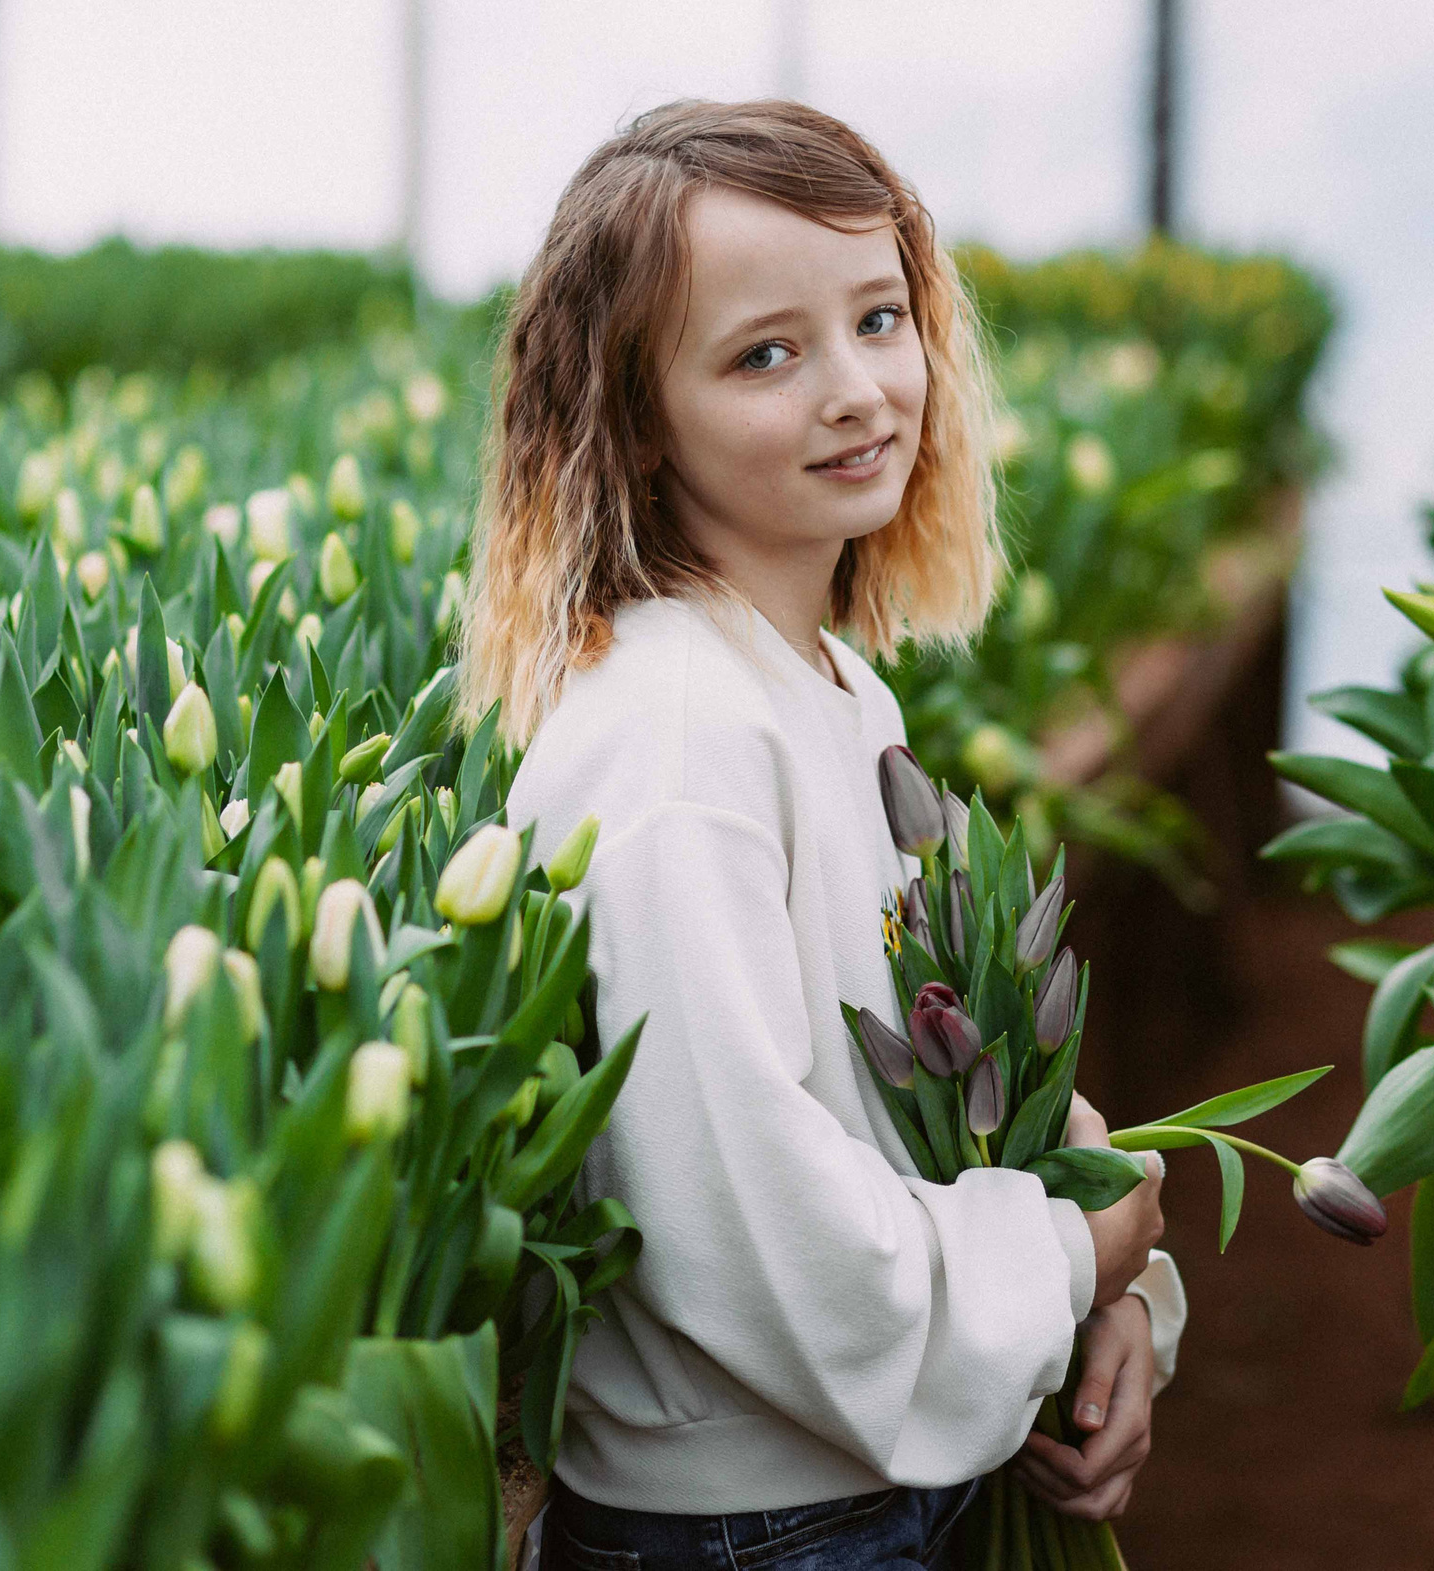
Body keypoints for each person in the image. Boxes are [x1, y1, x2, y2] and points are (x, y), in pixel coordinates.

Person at [465, 98, 1185, 1571]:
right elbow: (746, 1212)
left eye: (878, 318)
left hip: (861, 1482)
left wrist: (1105, 1302)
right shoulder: (677, 737)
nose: (858, 391)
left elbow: (910, 1092)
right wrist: (1066, 1258)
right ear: (634, 419)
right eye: (765, 355)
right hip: (755, 1529)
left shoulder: (832, 687)